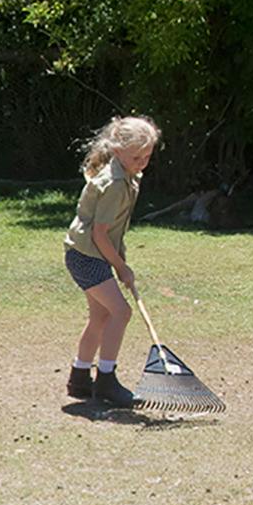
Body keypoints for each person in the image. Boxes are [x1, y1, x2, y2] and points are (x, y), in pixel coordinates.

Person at [64, 116, 160, 407]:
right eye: (136, 156)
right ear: (118, 151)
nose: (142, 162)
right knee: (121, 312)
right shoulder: (115, 183)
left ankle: (79, 377)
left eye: (147, 156)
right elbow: (100, 234)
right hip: (86, 255)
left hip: (91, 252)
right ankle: (106, 381)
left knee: (101, 315)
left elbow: (111, 233)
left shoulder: (127, 174)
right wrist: (121, 267)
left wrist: (121, 260)